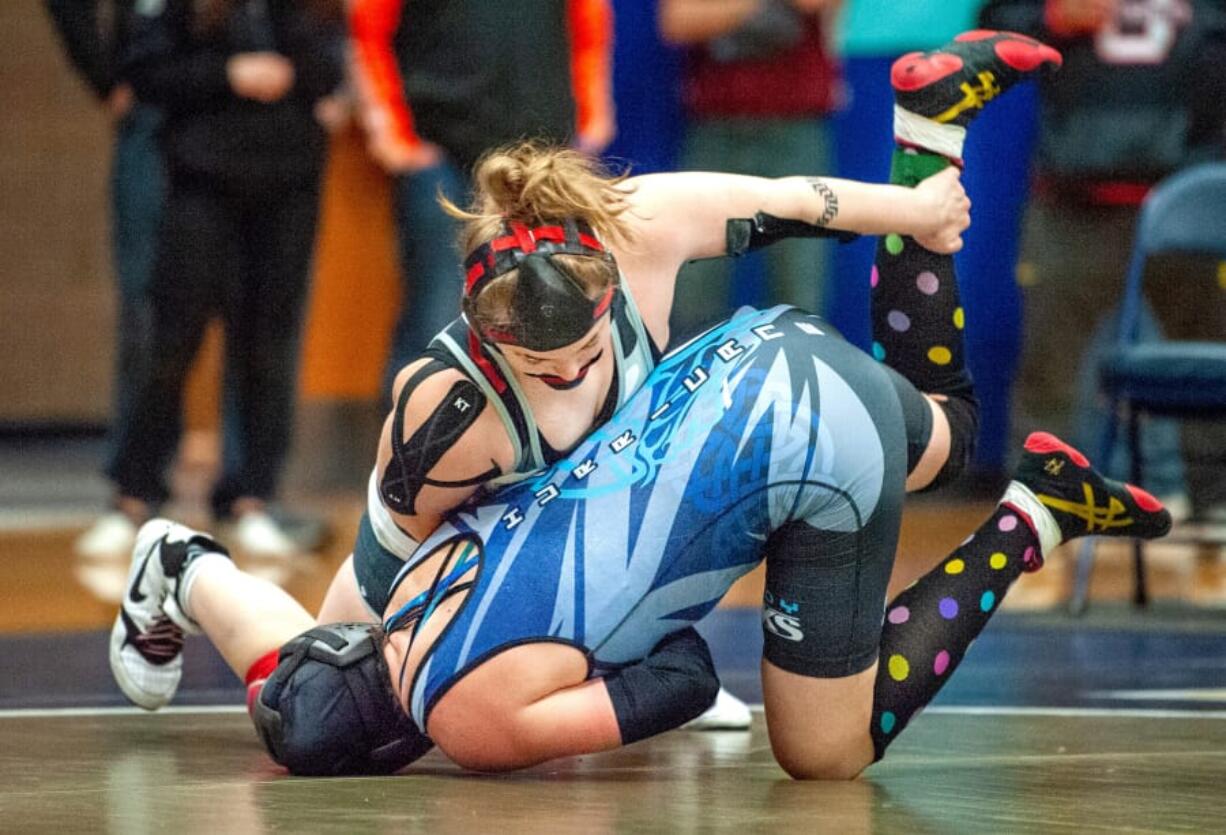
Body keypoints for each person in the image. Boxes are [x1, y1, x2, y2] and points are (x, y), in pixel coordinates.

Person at [110, 32, 1150, 780]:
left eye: (582, 354)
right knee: (335, 659)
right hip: (735, 429)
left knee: (826, 721)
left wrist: (918, 206)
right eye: (538, 366)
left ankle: (1031, 513)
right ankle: (187, 567)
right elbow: (380, 567)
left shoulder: (638, 221)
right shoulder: (448, 407)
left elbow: (798, 200)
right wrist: (343, 665)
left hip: (751, 452)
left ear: (605, 277)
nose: (567, 378)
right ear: (486, 336)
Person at [97, 0, 346, 556]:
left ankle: (251, 496)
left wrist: (296, 76)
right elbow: (145, 71)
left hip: (287, 181)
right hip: (199, 180)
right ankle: (134, 494)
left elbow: (332, 67)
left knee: (267, 344)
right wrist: (227, 74)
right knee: (170, 340)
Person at [979, 0, 1226, 518]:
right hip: (1073, 196)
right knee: (1048, 371)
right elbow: (990, 31)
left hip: (1194, 191)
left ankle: (1215, 529)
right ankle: (1031, 521)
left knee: (1210, 368)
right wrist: (1052, 18)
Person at [347, 0, 616, 397]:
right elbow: (367, 31)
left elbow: (590, 21)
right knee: (436, 320)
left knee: (557, 319)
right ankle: (416, 450)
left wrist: (592, 117)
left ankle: (533, 452)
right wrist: (392, 136)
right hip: (443, 159)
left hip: (543, 164)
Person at [44, 0, 168, 559]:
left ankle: (251, 496)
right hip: (156, 108)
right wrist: (102, 73)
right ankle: (133, 494)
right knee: (147, 314)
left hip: (248, 124)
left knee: (259, 310)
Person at [659, 0, 844, 338]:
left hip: (797, 124)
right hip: (714, 125)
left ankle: (800, 384)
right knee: (696, 289)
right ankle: (694, 386)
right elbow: (678, 21)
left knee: (800, 288)